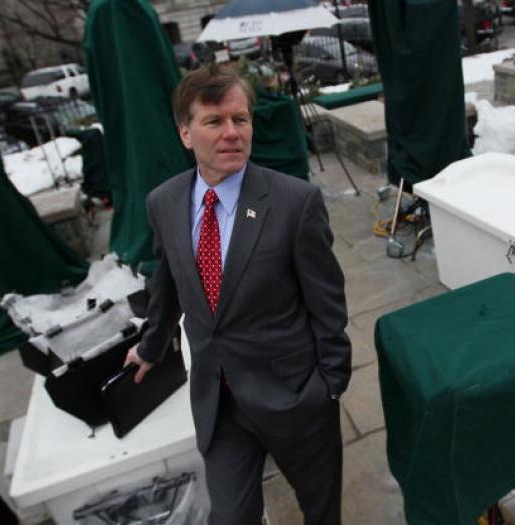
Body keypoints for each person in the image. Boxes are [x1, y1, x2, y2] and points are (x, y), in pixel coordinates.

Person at [124, 63, 351, 525]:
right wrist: (150, 347)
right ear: (186, 133)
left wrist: (329, 385)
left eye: (240, 119)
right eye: (214, 121)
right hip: (219, 400)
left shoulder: (294, 202)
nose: (232, 133)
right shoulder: (163, 202)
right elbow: (166, 282)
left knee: (321, 510)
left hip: (294, 398)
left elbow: (328, 304)